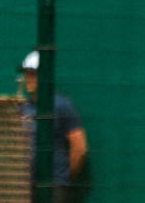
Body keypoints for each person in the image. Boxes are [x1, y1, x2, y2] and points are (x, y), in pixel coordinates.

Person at [18, 50, 92, 203]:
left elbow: (80, 148)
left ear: (45, 75)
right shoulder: (23, 108)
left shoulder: (62, 105)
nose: (28, 78)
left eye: (33, 74)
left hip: (54, 186)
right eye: (26, 74)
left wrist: (63, 178)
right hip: (25, 186)